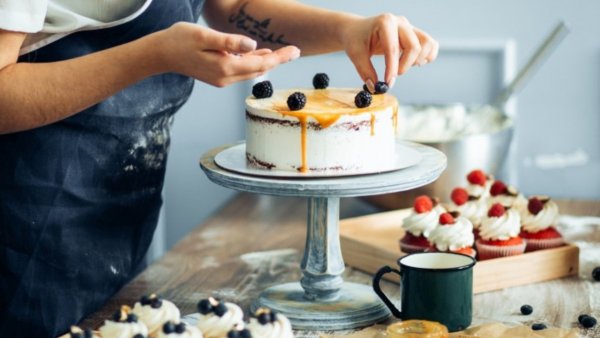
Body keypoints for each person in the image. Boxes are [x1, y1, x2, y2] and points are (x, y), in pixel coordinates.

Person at [0, 0, 438, 337]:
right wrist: (154, 54)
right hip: (23, 214)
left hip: (117, 209)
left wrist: (348, 29)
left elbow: (230, 8)